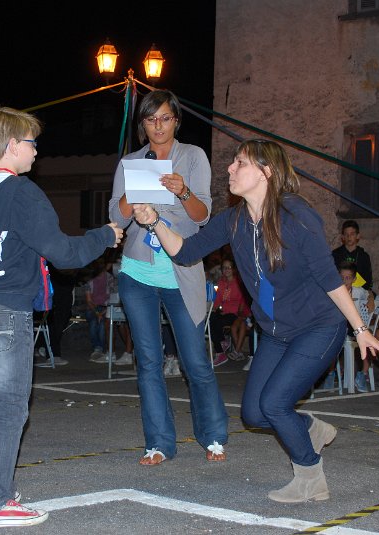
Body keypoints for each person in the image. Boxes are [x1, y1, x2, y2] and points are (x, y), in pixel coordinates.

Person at [131, 139, 379, 502]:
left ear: (266, 172)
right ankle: (309, 428)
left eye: (240, 163)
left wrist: (361, 329)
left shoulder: (296, 216)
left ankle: (310, 477)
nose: (230, 168)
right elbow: (186, 252)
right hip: (275, 331)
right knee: (255, 414)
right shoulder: (235, 220)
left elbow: (329, 278)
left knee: (274, 404)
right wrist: (156, 221)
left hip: (318, 326)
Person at [0, 106, 123, 528]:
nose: (36, 151)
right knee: (10, 404)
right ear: (13, 146)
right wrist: (105, 236)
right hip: (6, 311)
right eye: (32, 143)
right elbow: (63, 253)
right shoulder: (22, 193)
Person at [108, 89, 228, 466]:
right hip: (137, 272)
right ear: (142, 124)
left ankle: (213, 436)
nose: (158, 126)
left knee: (195, 361)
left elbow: (202, 216)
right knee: (148, 362)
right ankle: (159, 443)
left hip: (181, 272)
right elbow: (116, 216)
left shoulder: (193, 156)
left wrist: (183, 190)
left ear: (176, 120)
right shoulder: (131, 162)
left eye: (164, 118)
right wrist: (132, 192)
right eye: (150, 119)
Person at [339, 261, 375, 393]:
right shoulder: (336, 292)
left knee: (369, 338)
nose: (344, 281)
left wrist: (371, 300)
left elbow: (369, 293)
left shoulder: (358, 291)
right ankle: (330, 374)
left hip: (355, 326)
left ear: (354, 279)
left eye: (348, 278)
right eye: (342, 278)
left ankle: (362, 374)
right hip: (339, 326)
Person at [209, 259, 250, 366]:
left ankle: (220, 350)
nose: (226, 270)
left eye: (229, 267)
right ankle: (222, 345)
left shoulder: (238, 283)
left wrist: (239, 313)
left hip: (235, 314)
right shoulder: (221, 282)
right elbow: (218, 299)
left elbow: (242, 301)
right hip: (223, 312)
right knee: (210, 318)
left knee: (217, 322)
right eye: (224, 267)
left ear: (233, 269)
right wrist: (214, 309)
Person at [331, 219, 373, 291]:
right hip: (340, 290)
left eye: (352, 234)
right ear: (342, 237)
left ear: (358, 236)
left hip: (359, 292)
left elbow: (368, 280)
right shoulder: (335, 254)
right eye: (346, 234)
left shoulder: (364, 256)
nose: (349, 237)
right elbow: (332, 276)